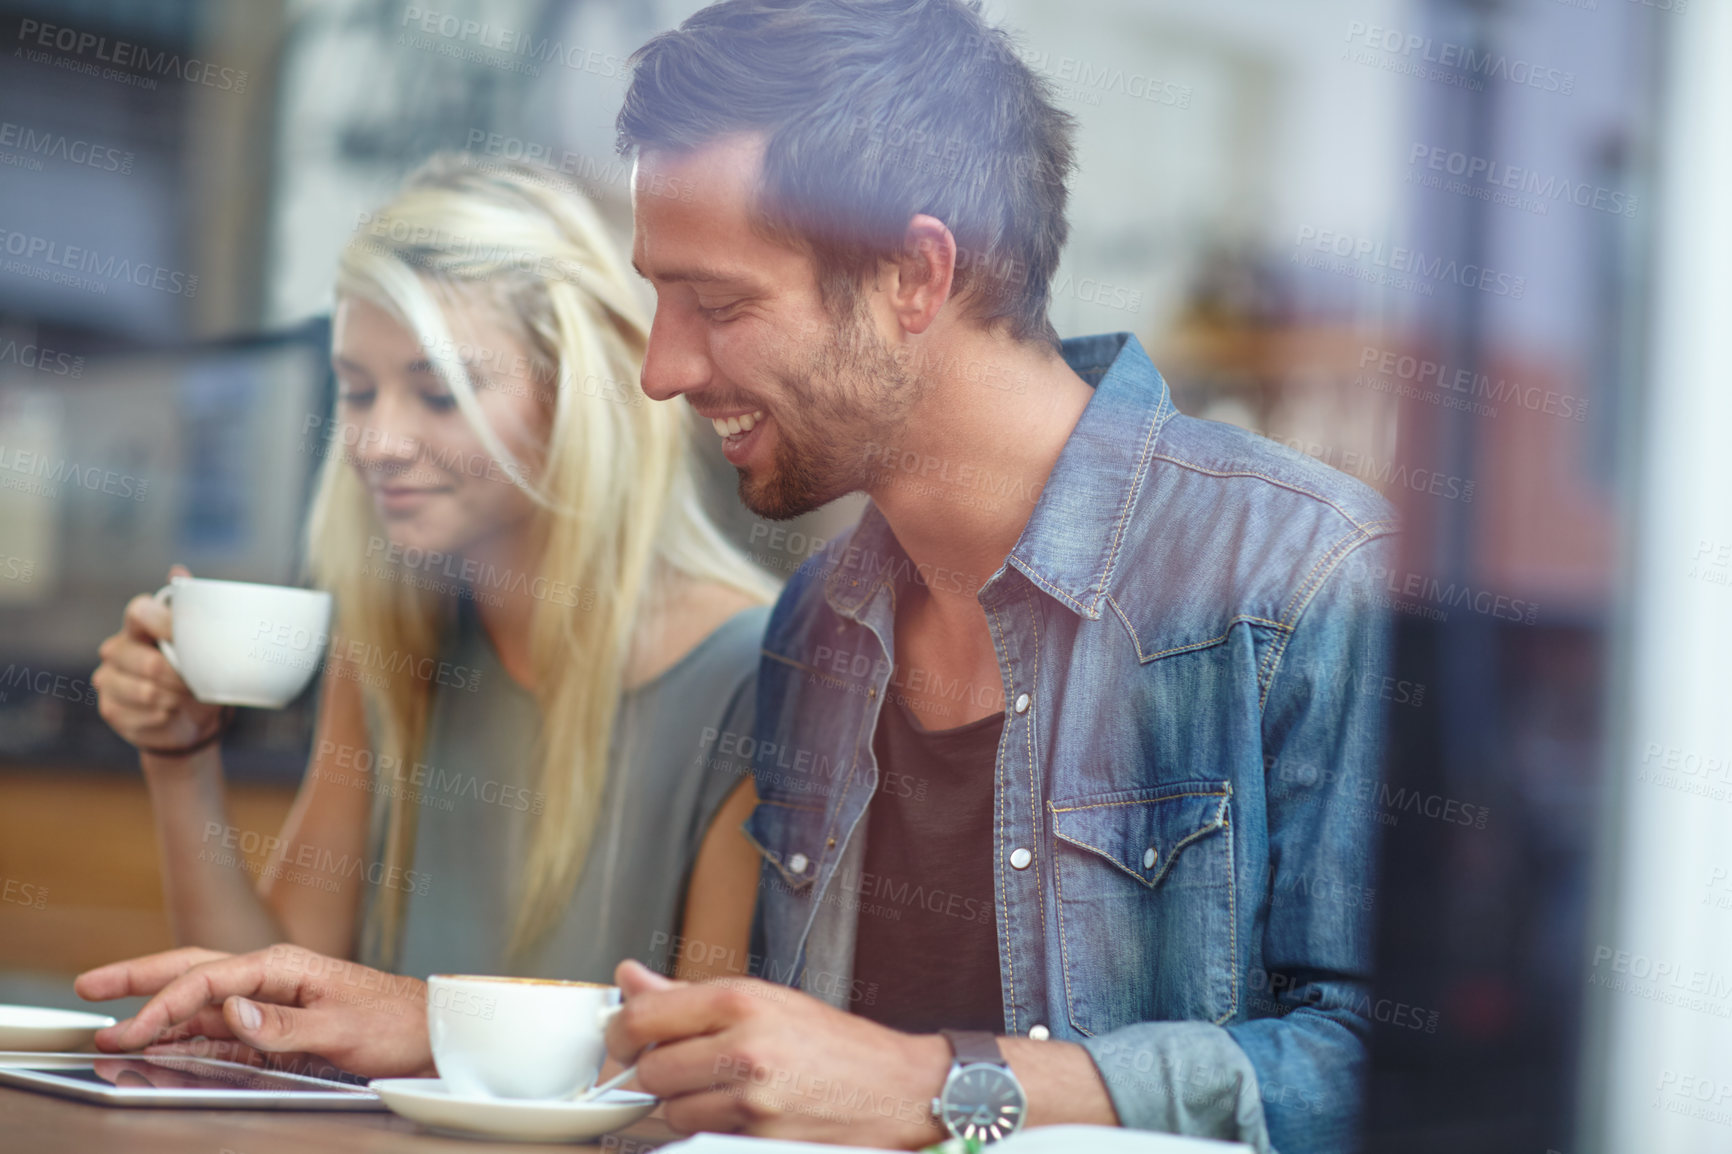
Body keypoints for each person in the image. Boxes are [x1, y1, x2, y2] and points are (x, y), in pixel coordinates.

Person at [80, 4, 1396, 1151]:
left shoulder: (1298, 577)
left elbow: (1397, 1077)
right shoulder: (819, 630)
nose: (660, 368)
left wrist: (948, 1090)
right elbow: (762, 1055)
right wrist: (419, 1018)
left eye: (716, 302)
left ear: (915, 273)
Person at [87, 153, 773, 985]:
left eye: (440, 393)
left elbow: (703, 1068)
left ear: (574, 397)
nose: (377, 444)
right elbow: (250, 1005)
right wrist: (179, 759)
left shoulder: (755, 675)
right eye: (357, 390)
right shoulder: (392, 638)